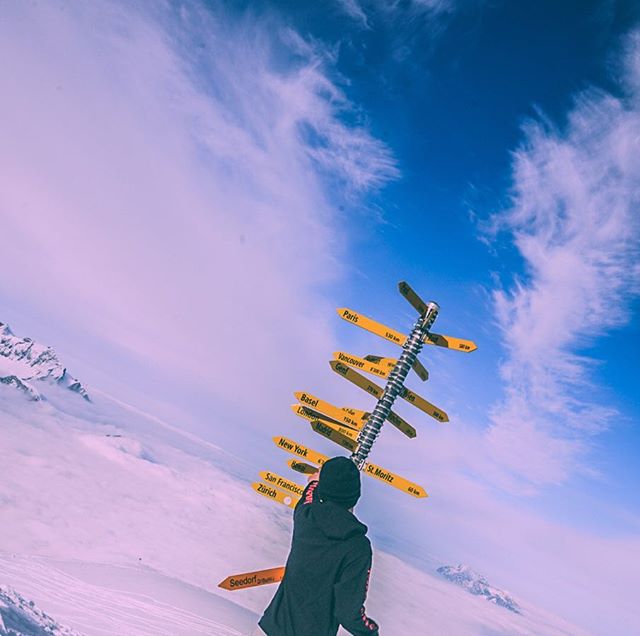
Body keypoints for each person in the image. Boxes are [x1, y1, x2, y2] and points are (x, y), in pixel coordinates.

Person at [256, 456, 379, 636]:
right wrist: (370, 631)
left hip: (269, 629)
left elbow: (308, 497)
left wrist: (315, 482)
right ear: (355, 497)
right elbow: (347, 612)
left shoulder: (306, 517)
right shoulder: (358, 548)